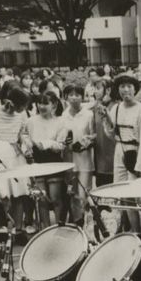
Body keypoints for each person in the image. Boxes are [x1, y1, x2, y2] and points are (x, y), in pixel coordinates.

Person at [97, 74, 141, 233]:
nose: (125, 90)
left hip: (136, 151)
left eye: (129, 86)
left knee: (138, 194)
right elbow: (112, 134)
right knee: (123, 193)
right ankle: (133, 230)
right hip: (120, 151)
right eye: (122, 86)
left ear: (135, 89)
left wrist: (140, 165)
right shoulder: (116, 108)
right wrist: (106, 118)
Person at [0, 85, 32, 243]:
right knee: (1, 196)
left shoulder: (21, 116)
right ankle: (2, 231)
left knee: (18, 195)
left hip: (14, 156)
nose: (22, 110)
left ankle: (17, 230)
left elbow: (21, 135)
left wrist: (25, 146)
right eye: (21, 106)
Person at [25, 90, 69, 226]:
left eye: (46, 103)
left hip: (53, 160)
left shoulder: (61, 121)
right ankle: (45, 228)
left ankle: (58, 226)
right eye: (39, 103)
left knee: (55, 197)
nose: (42, 106)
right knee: (41, 198)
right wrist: (27, 147)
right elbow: (25, 137)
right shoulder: (31, 121)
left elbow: (61, 145)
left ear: (54, 104)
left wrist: (46, 144)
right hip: (36, 161)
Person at [61, 84, 95, 225]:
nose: (74, 98)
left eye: (77, 95)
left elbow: (94, 134)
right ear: (66, 97)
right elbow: (62, 136)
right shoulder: (64, 115)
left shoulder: (89, 114)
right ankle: (78, 220)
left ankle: (88, 220)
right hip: (69, 159)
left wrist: (85, 143)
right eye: (71, 95)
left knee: (83, 193)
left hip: (85, 159)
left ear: (82, 97)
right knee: (73, 193)